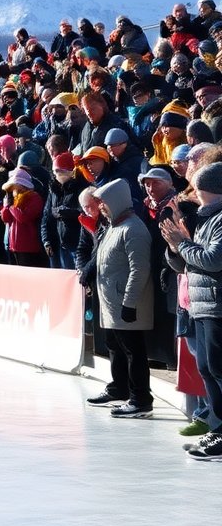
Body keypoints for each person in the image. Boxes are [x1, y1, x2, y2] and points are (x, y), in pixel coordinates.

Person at [163, 162, 222, 459]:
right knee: (207, 369)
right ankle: (217, 426)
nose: (195, 197)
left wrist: (183, 244)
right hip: (201, 303)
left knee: (218, 369)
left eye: (198, 191)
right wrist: (175, 247)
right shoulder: (206, 218)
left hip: (216, 305)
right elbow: (189, 263)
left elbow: (213, 260)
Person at [86, 178, 156, 418]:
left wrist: (129, 301)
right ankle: (119, 387)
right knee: (115, 347)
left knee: (133, 351)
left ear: (115, 201)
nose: (101, 207)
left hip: (126, 303)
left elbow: (139, 269)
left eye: (103, 203)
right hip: (111, 303)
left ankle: (140, 399)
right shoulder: (114, 227)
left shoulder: (133, 229)